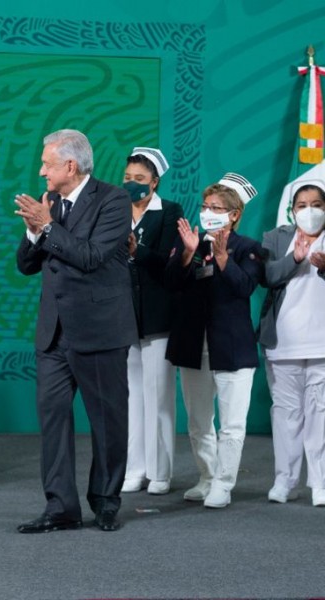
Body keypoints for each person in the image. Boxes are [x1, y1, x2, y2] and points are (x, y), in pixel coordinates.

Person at [14, 129, 137, 533]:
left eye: (47, 164)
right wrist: (36, 230)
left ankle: (105, 501)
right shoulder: (49, 203)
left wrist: (47, 227)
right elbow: (27, 265)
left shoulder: (114, 200)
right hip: (54, 334)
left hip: (99, 330)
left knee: (107, 421)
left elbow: (91, 257)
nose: (41, 170)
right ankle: (60, 507)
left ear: (70, 165)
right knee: (52, 420)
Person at [166, 173, 262, 509]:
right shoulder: (191, 242)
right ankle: (206, 476)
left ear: (234, 214)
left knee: (232, 424)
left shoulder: (248, 248)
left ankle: (224, 483)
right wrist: (187, 255)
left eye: (217, 207)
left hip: (232, 346)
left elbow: (246, 288)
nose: (208, 212)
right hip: (194, 343)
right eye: (206, 206)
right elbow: (172, 285)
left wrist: (223, 259)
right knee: (198, 421)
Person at [120, 147, 183, 496]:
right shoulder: (114, 208)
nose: (132, 184)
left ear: (155, 182)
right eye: (127, 178)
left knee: (158, 396)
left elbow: (170, 263)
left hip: (158, 314)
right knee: (131, 396)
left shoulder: (170, 211)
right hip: (123, 314)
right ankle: (134, 468)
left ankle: (160, 472)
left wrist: (136, 252)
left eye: (140, 180)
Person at [259, 181, 325, 506]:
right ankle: (284, 481)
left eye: (316, 204)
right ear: (292, 209)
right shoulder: (276, 238)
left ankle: (320, 483)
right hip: (283, 341)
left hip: (321, 343)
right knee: (286, 413)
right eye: (302, 205)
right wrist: (295, 258)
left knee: (320, 413)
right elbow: (267, 276)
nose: (309, 211)